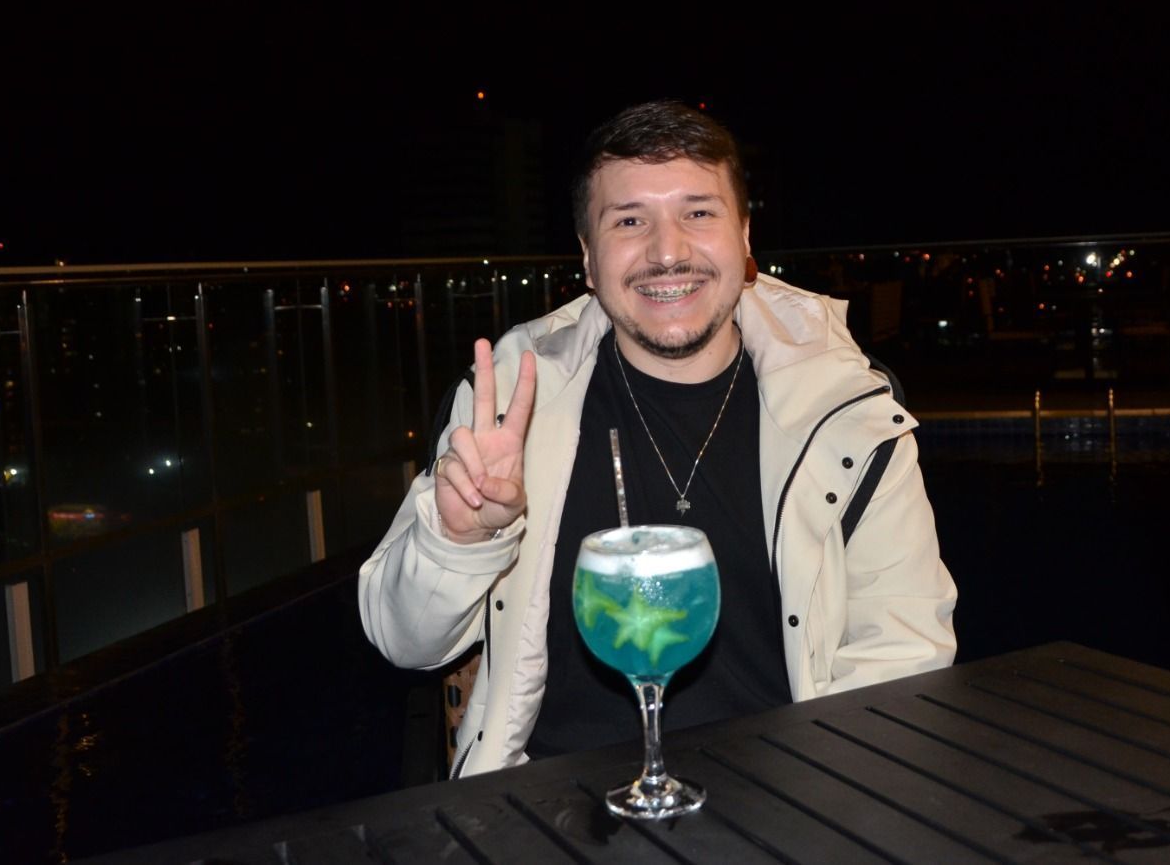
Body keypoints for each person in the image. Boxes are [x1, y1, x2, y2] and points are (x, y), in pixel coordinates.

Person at [359, 100, 956, 777]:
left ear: (745, 236)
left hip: (794, 792)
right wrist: (460, 538)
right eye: (629, 220)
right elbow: (403, 640)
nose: (667, 251)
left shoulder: (849, 409)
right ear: (587, 256)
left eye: (698, 212)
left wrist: (814, 809)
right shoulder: (512, 403)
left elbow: (905, 647)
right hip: (559, 808)